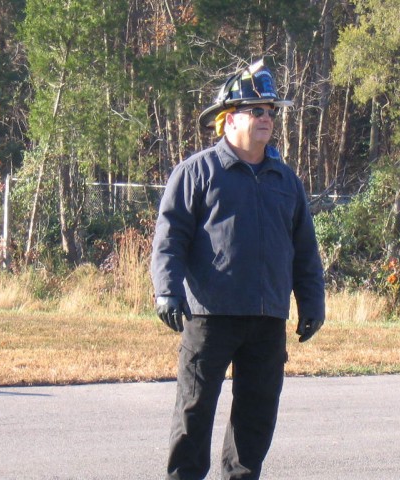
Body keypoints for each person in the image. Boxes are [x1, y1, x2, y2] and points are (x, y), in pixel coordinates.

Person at [150, 59, 326, 480]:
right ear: (229, 120)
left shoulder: (285, 180)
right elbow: (169, 237)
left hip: (267, 319)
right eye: (256, 110)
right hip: (210, 317)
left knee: (256, 417)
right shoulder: (197, 173)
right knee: (194, 412)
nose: (267, 118)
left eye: (270, 111)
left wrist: (312, 301)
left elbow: (304, 250)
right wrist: (167, 290)